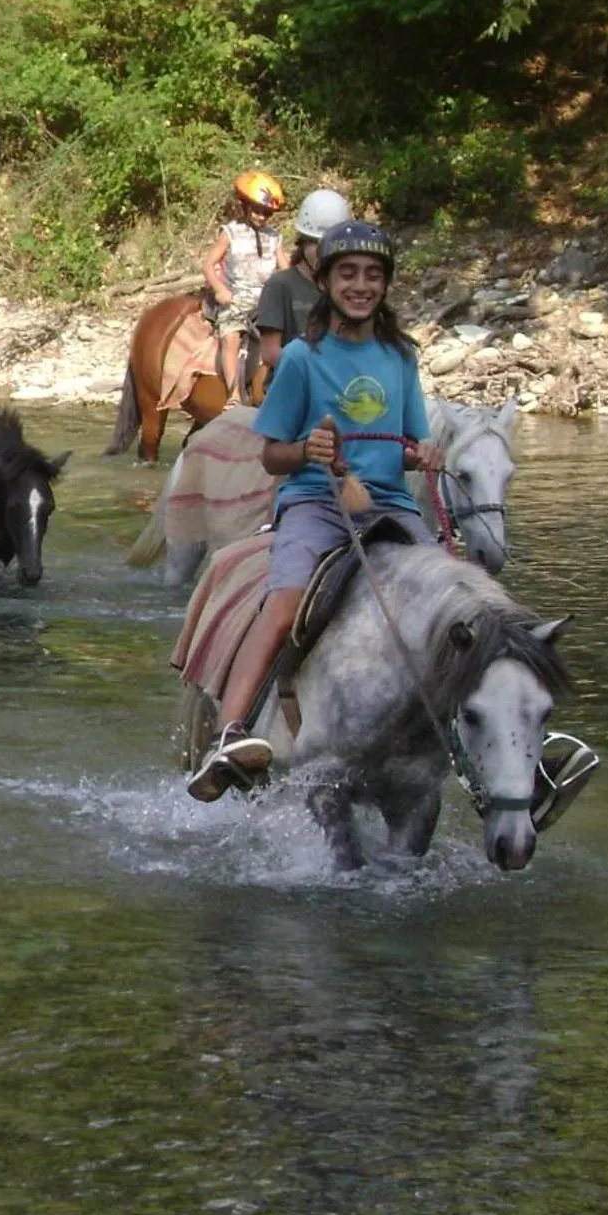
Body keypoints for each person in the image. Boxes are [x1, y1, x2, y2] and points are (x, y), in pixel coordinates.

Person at [187, 219, 443, 802]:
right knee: (285, 603)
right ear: (324, 281)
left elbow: (408, 444)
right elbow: (272, 455)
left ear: (386, 284)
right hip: (315, 503)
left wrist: (423, 453)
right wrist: (307, 450)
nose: (361, 286)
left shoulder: (400, 356)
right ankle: (229, 733)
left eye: (373, 275)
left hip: (390, 505)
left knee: (457, 603)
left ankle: (497, 750)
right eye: (348, 273)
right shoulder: (302, 358)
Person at [199, 170, 286, 395]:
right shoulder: (230, 232)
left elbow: (285, 268)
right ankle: (234, 393)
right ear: (244, 205)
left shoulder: (274, 237)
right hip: (236, 298)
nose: (261, 217)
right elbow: (209, 264)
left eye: (267, 213)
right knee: (231, 336)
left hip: (266, 300)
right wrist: (220, 289)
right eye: (257, 210)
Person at [253, 187, 351, 380]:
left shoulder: (346, 287)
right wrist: (320, 369)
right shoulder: (280, 285)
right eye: (317, 244)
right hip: (293, 385)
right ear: (303, 243)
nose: (325, 253)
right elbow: (270, 353)